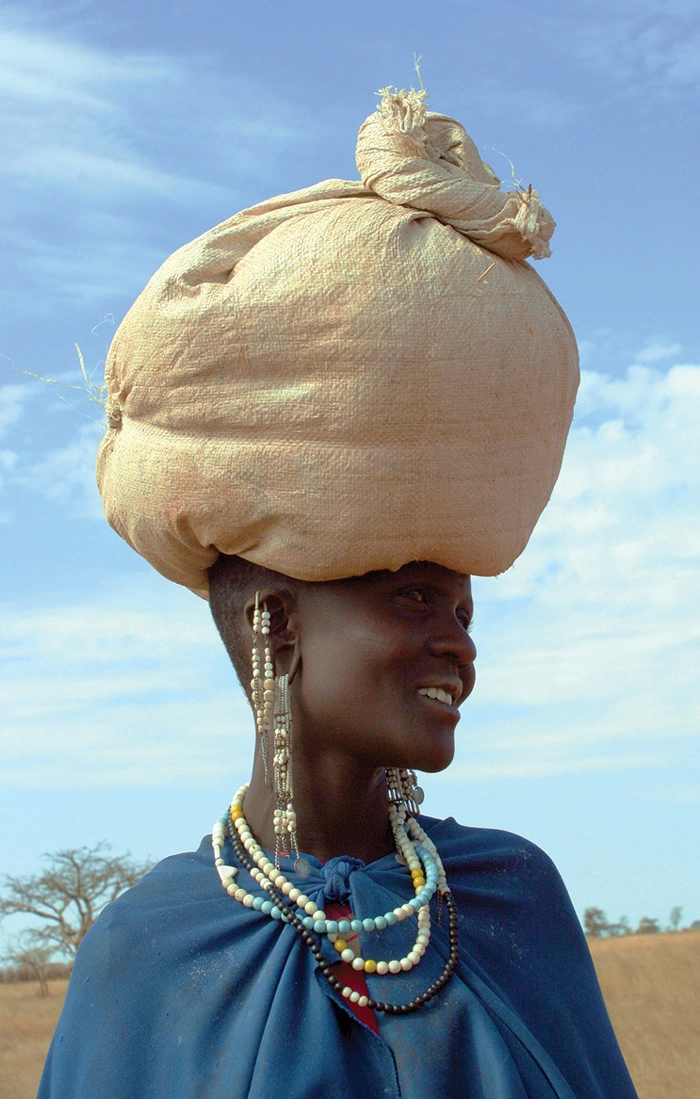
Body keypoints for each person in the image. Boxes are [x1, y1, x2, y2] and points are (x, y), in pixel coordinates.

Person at [38, 86, 638, 1098]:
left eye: (463, 609)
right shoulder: (147, 953)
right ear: (277, 625)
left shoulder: (510, 896)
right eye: (414, 600)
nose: (459, 644)